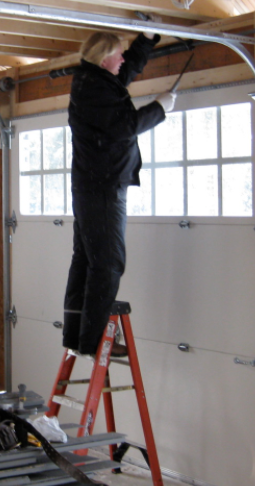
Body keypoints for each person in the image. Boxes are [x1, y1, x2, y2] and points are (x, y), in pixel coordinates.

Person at [63, 31, 175, 357]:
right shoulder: (94, 88)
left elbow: (124, 75)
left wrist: (146, 40)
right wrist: (159, 109)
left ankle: (77, 335)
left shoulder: (92, 81)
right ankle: (95, 340)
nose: (124, 59)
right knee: (108, 263)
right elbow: (123, 126)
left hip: (93, 186)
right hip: (103, 188)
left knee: (85, 261)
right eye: (120, 53)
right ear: (104, 57)